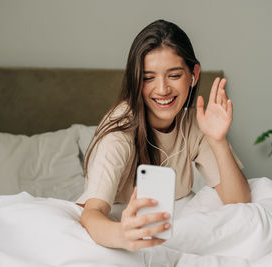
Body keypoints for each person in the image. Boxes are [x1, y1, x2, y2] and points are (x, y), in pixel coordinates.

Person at [77, 19, 250, 252]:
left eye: (174, 75)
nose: (162, 89)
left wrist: (218, 141)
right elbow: (92, 213)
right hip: (116, 229)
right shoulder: (120, 129)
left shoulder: (193, 124)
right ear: (136, 80)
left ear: (193, 75)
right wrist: (123, 235)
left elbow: (239, 202)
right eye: (148, 78)